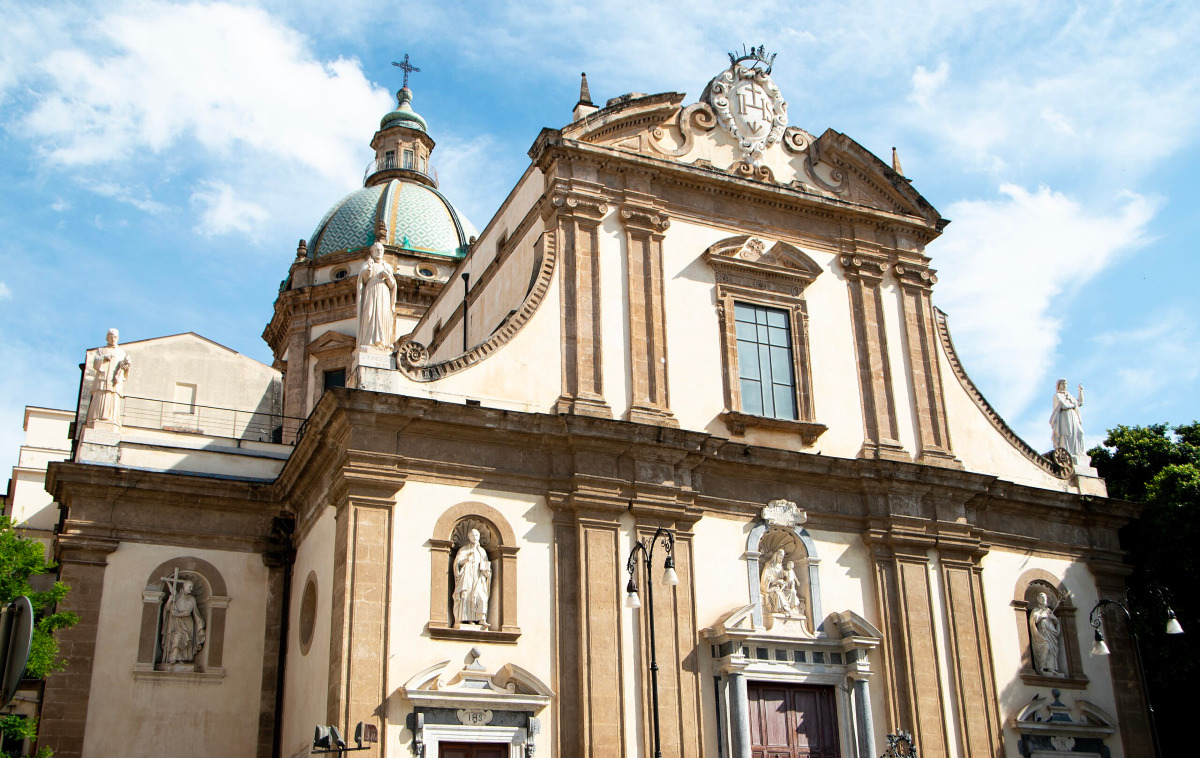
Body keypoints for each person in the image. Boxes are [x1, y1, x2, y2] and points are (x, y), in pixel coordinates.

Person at [356, 242, 398, 351]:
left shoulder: (387, 266)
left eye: (381, 250)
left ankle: (382, 342)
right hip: (370, 291)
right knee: (369, 314)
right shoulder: (367, 264)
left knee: (382, 315)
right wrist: (368, 272)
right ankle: (368, 341)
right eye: (376, 250)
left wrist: (388, 276)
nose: (379, 252)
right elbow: (363, 279)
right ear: (372, 252)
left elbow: (393, 285)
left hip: (383, 293)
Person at [85, 328, 131, 425]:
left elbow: (124, 369)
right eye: (111, 337)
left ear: (117, 338)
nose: (113, 339)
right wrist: (104, 358)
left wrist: (126, 366)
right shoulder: (101, 350)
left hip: (115, 380)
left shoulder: (122, 353)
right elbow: (96, 363)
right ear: (107, 338)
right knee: (100, 395)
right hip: (103, 377)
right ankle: (97, 417)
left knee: (113, 396)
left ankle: (112, 419)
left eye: (115, 337)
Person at [453, 528, 492, 627]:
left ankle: (481, 618)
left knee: (482, 596)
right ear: (469, 537)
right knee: (466, 596)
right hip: (467, 575)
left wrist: (486, 571)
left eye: (477, 535)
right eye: (473, 535)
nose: (475, 537)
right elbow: (457, 563)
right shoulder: (464, 549)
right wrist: (466, 559)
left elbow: (487, 564)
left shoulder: (482, 551)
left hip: (479, 576)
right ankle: (467, 619)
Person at [162, 579, 206, 664]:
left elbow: (187, 612)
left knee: (184, 640)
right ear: (184, 587)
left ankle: (179, 658)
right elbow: (167, 609)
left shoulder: (192, 599)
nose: (191, 588)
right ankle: (175, 657)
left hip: (187, 624)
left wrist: (200, 627)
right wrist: (169, 601)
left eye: (192, 587)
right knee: (176, 638)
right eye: (189, 586)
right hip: (175, 623)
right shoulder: (176, 597)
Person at [1049, 379, 1085, 459]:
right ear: (1059, 385)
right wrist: (1073, 405)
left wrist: (1080, 392)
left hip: (1073, 415)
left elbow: (1079, 403)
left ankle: (1078, 452)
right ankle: (1066, 454)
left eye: (1066, 383)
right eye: (1062, 383)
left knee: (1079, 433)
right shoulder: (1057, 395)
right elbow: (1064, 406)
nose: (1064, 385)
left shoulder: (1069, 395)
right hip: (1065, 416)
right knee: (1067, 434)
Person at [1028, 592, 1062, 676]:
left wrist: (1055, 619)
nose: (1043, 599)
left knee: (1052, 649)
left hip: (1051, 632)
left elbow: (1055, 621)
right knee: (1046, 646)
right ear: (1037, 599)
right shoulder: (1036, 610)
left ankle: (1051, 667)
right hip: (1042, 633)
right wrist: (1041, 616)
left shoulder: (1049, 611)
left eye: (1045, 598)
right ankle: (1041, 666)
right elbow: (1034, 620)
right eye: (1041, 598)